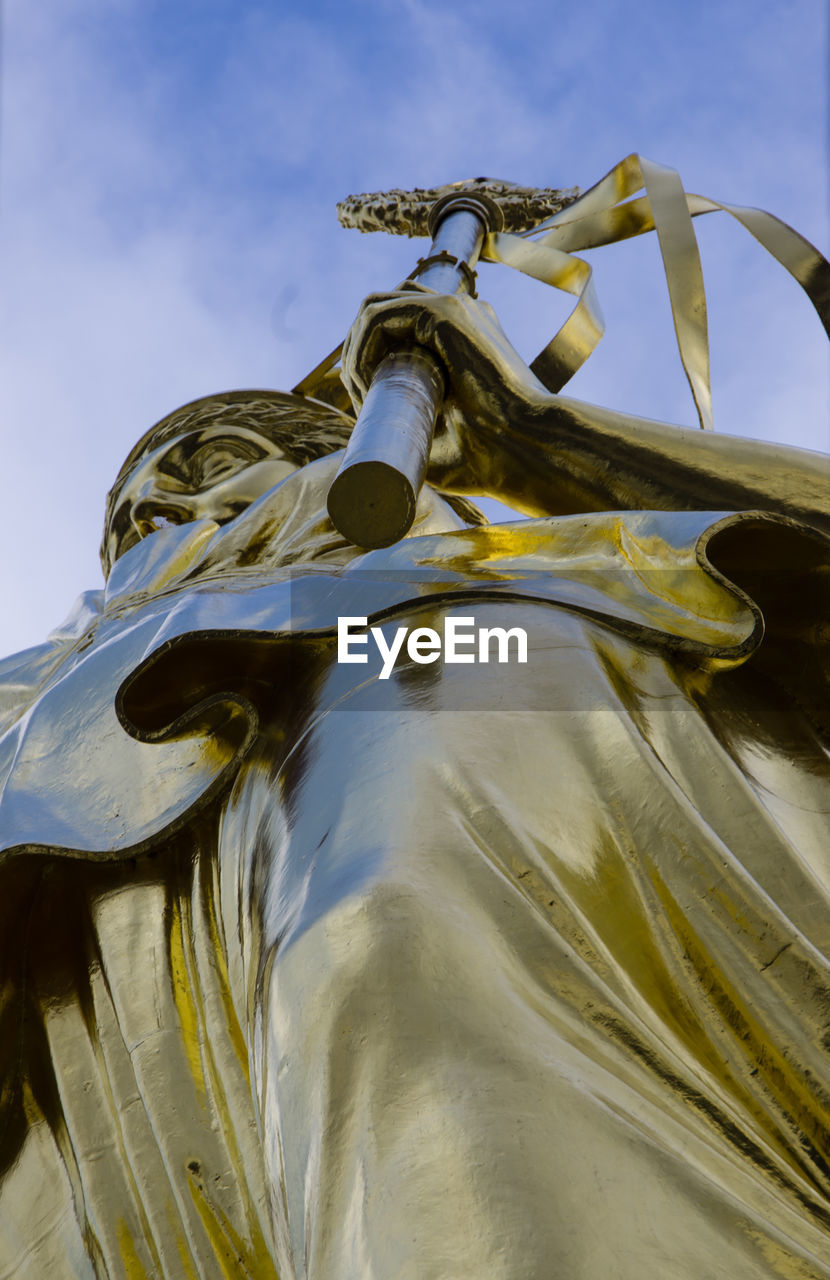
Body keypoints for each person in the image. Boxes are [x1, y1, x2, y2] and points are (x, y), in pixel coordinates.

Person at [0, 276, 828, 1278]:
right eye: (136, 514)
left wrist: (533, 433)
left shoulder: (498, 567)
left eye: (213, 461)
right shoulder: (41, 694)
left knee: (379, 937)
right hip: (99, 885)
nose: (163, 506)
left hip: (426, 654)